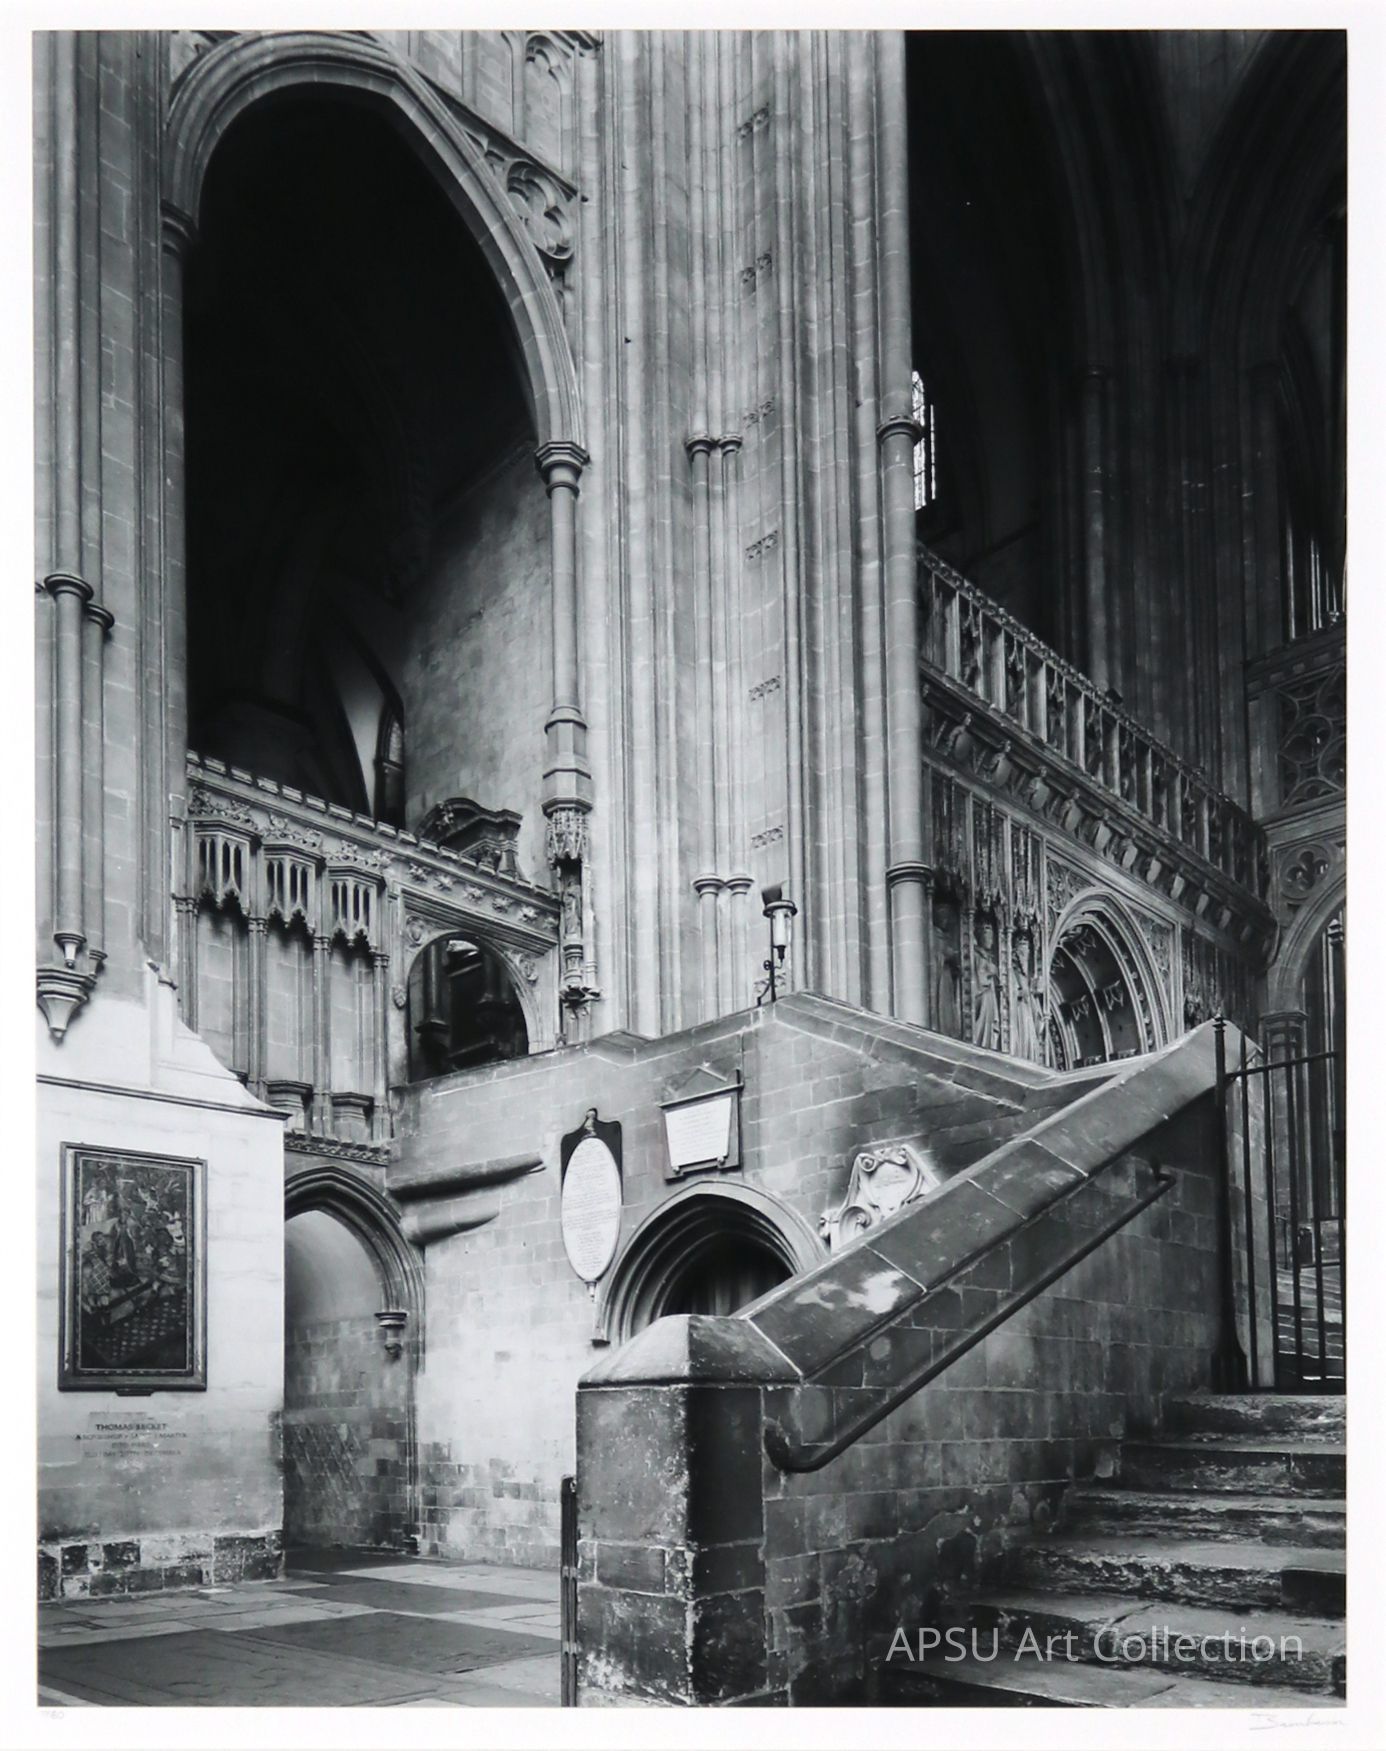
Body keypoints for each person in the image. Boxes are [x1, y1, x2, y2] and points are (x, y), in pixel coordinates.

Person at [972, 915, 1001, 1050]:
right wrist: (989, 973)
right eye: (987, 936)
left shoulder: (988, 957)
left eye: (991, 936)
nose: (991, 940)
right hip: (982, 999)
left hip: (990, 999)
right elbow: (975, 979)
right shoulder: (975, 955)